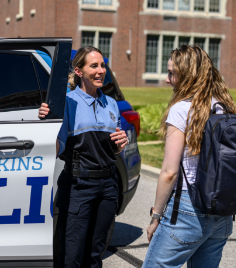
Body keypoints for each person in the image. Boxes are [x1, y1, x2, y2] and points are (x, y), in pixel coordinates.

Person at [142, 45, 235, 268]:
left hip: (188, 208)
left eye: (172, 73)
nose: (167, 79)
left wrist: (156, 216)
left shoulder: (182, 109)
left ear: (187, 76)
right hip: (221, 212)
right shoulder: (224, 106)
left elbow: (169, 172)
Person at [38, 46, 128, 268]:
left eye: (103, 65)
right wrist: (47, 122)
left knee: (95, 254)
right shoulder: (67, 103)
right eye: (94, 66)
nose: (101, 71)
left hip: (108, 186)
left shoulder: (111, 104)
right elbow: (57, 148)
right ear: (78, 71)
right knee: (71, 256)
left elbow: (112, 150)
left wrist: (120, 144)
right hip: (78, 186)